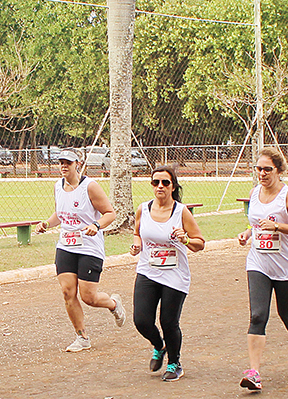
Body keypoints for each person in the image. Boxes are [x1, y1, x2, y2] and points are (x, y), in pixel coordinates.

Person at [34, 148, 124, 352]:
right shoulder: (58, 186)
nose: (64, 166)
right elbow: (60, 213)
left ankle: (113, 304)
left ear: (78, 164)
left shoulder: (90, 187)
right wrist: (47, 224)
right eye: (61, 163)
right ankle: (82, 337)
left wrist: (96, 225)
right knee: (67, 292)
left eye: (68, 162)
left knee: (88, 297)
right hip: (66, 245)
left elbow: (110, 213)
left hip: (89, 247)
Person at [238, 148, 288, 392]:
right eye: (258, 168)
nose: (262, 173)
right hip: (258, 263)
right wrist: (248, 233)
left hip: (286, 267)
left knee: (286, 313)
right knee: (258, 315)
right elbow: (256, 223)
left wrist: (277, 226)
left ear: (278, 171)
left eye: (267, 169)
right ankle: (254, 372)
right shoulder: (254, 193)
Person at [129, 166, 205, 382]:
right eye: (156, 182)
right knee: (141, 320)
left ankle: (174, 363)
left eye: (165, 183)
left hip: (174, 275)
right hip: (148, 271)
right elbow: (137, 232)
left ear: (173, 186)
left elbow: (200, 243)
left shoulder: (181, 212)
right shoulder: (143, 209)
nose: (160, 186)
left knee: (168, 321)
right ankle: (158, 345)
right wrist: (136, 246)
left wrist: (186, 240)